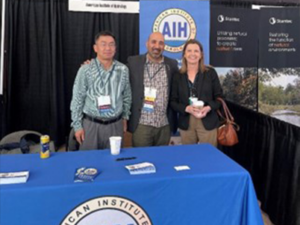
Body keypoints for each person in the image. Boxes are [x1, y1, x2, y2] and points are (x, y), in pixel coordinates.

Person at [70, 31, 132, 150]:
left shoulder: (123, 69)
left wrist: (125, 117)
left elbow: (127, 96)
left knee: (113, 162)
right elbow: (77, 99)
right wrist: (77, 126)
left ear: (115, 48)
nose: (108, 48)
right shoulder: (86, 70)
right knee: (89, 163)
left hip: (115, 125)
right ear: (95, 48)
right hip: (91, 125)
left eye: (111, 44)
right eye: (103, 44)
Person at [127, 32, 178, 147]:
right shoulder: (134, 62)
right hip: (142, 124)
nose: (157, 46)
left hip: (164, 124)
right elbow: (117, 71)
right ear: (147, 44)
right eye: (153, 42)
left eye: (161, 43)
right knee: (141, 160)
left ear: (164, 46)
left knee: (162, 160)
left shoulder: (172, 64)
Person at [170, 39, 223, 146]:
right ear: (184, 54)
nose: (192, 54)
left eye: (196, 51)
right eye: (189, 51)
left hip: (207, 121)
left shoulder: (210, 73)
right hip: (186, 122)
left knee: (208, 156)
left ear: (201, 55)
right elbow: (173, 101)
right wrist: (186, 108)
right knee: (189, 156)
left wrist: (208, 108)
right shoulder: (177, 76)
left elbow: (219, 98)